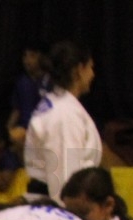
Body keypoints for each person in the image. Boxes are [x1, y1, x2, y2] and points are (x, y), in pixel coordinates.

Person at [23, 40, 98, 197]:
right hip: (57, 203)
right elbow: (63, 179)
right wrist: (65, 209)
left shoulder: (57, 104)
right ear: (79, 70)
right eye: (91, 67)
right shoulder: (64, 114)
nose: (93, 74)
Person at [7, 46, 47, 151]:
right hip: (24, 130)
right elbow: (16, 110)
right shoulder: (21, 82)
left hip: (43, 130)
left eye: (32, 56)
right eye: (25, 56)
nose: (27, 61)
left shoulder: (49, 82)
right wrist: (7, 131)